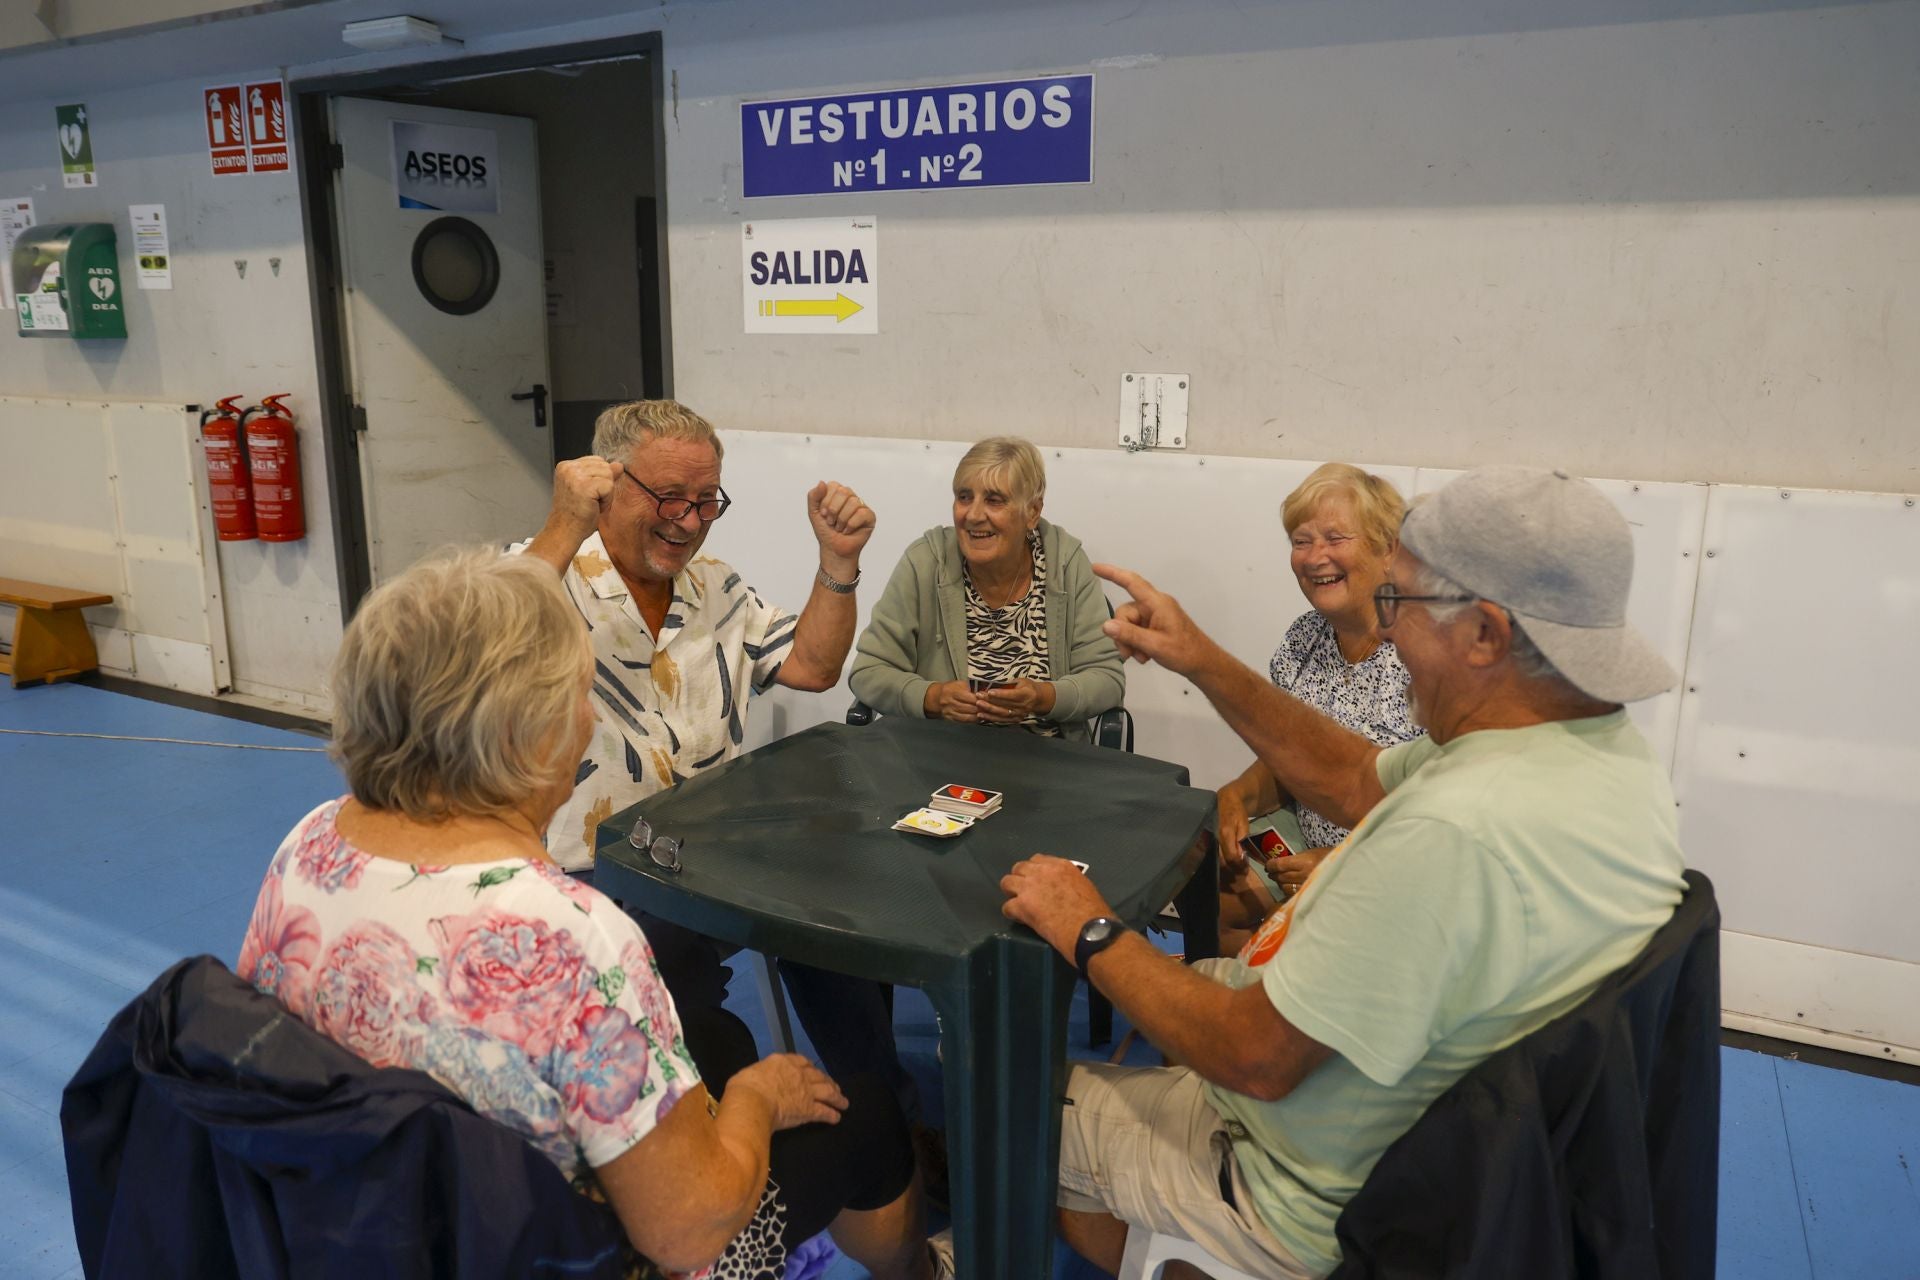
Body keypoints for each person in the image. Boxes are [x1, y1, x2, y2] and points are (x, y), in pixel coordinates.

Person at [1000, 466, 1688, 1278]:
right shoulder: (1603, 758)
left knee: (1009, 1102)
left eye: (1401, 603)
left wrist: (1087, 923)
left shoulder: (1454, 832)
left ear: (1486, 635)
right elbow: (1360, 777)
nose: (1388, 633)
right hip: (1467, 1158)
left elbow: (1253, 1057)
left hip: (1309, 1189)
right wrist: (1202, 659)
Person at [236, 551, 948, 1279]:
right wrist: (756, 1102)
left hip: (374, 1218)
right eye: (582, 697)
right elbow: (688, 1230)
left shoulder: (312, 841)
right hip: (559, 1253)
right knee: (864, 1119)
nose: (587, 720)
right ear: (528, 735)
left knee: (712, 1032)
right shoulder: (570, 934)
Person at [510, 400, 929, 1187]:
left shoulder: (716, 588)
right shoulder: (547, 579)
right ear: (606, 486)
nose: (690, 520)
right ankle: (688, 1149)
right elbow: (484, 639)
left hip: (716, 853)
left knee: (829, 920)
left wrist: (838, 563)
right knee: (665, 954)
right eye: (670, 496)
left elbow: (810, 666)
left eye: (707, 500)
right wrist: (564, 523)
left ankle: (887, 1118)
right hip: (593, 873)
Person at [1215, 464, 1421, 949]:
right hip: (1302, 838)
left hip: (1399, 869)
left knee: (1300, 944)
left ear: (1388, 549)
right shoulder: (1302, 638)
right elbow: (1290, 756)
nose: (1315, 558)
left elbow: (1442, 811)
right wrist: (1237, 796)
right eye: (1301, 541)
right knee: (1207, 887)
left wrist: (1344, 861)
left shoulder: (1425, 650)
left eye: (1334, 537)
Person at [848, 436, 1124, 740]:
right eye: (964, 497)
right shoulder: (925, 562)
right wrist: (932, 698)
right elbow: (868, 672)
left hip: (1049, 761)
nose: (974, 515)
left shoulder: (1066, 564)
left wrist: (1044, 697)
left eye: (994, 500)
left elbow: (1107, 679)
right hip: (939, 758)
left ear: (1032, 512)